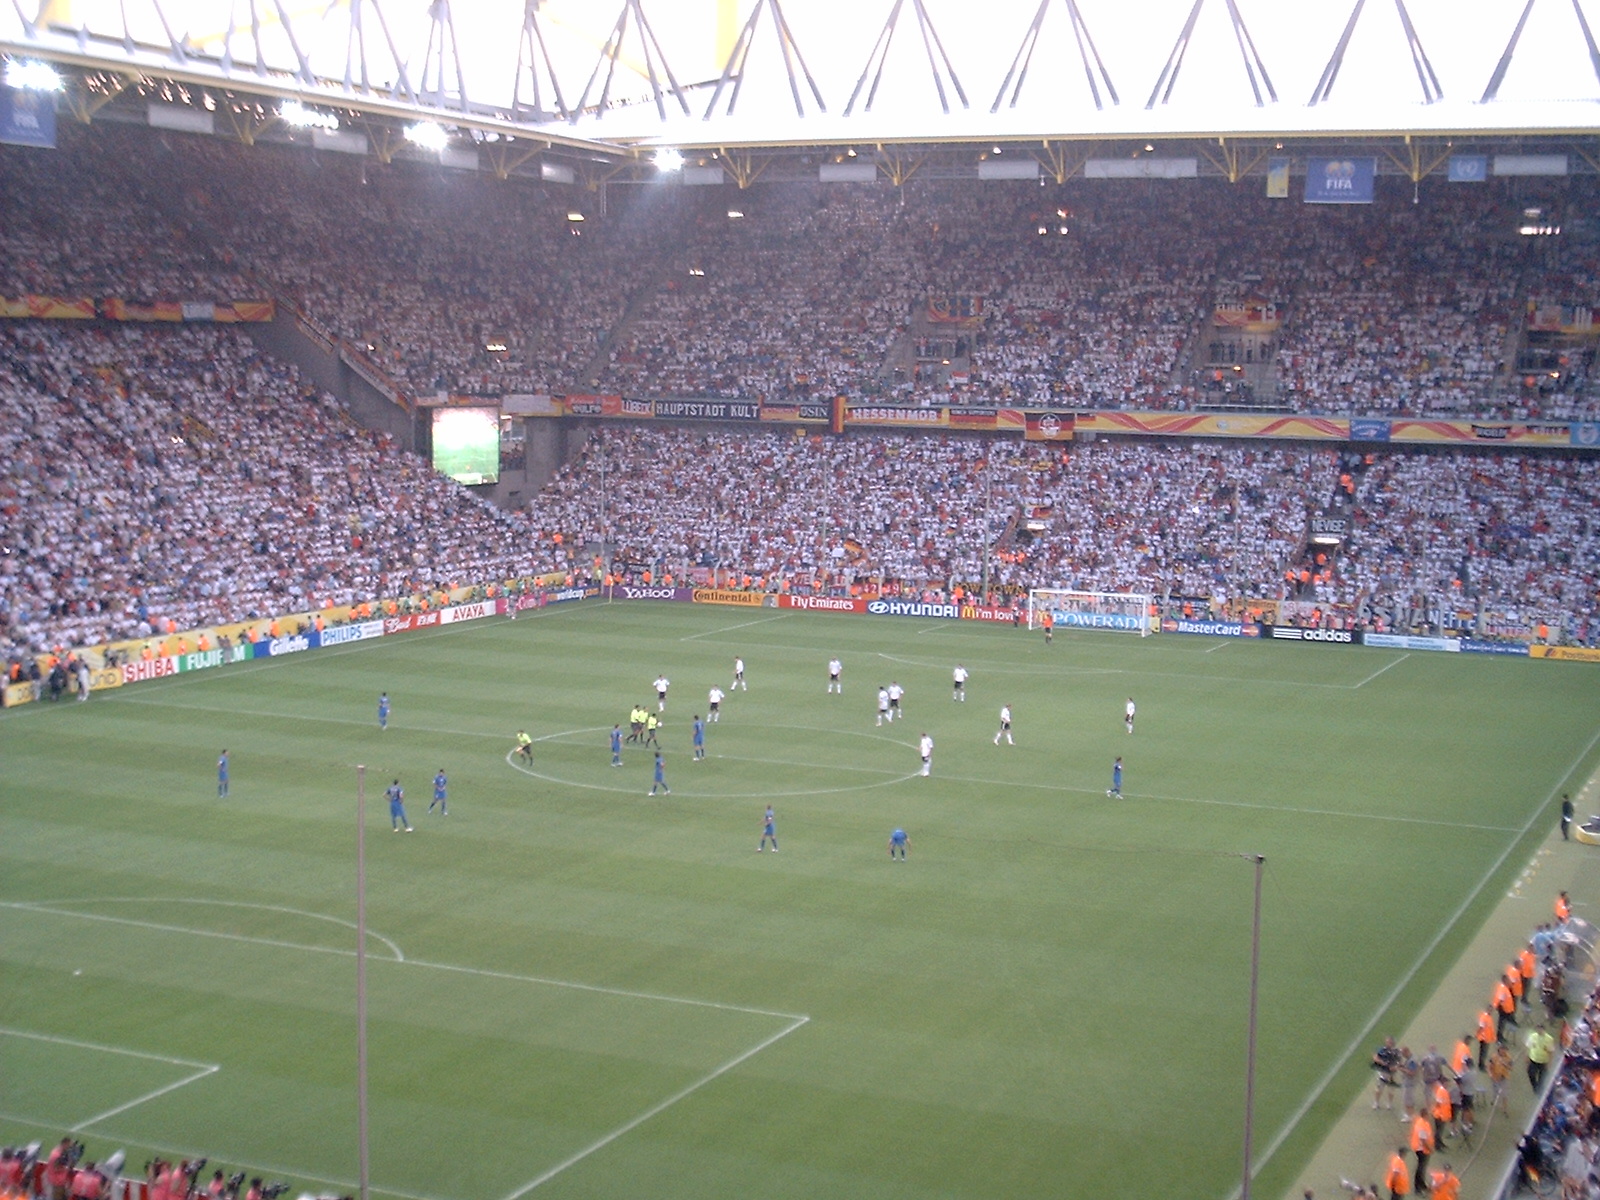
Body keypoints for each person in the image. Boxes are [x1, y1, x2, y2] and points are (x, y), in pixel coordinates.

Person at [1524, 1023, 1556, 1091]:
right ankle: (1535, 1086)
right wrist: (1526, 1056)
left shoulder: (1549, 1039)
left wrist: (1550, 1062)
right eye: (1537, 1029)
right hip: (1533, 1059)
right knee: (1531, 1073)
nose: (1539, 1031)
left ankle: (1540, 1088)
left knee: (1542, 1078)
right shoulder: (1533, 1036)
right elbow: (1528, 1046)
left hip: (1543, 1061)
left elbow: (1551, 1052)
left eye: (1540, 1029)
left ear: (1543, 1029)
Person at [1373, 1036, 1400, 1109]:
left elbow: (1399, 1062)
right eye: (1387, 1042)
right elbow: (1375, 1057)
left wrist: (1395, 1067)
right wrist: (1382, 1062)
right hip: (1383, 1072)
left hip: (1392, 1073)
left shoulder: (1396, 1051)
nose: (1389, 1044)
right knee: (1379, 1088)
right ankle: (1376, 1102)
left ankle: (1389, 1104)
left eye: (1390, 1042)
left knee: (1391, 1089)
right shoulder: (1382, 1050)